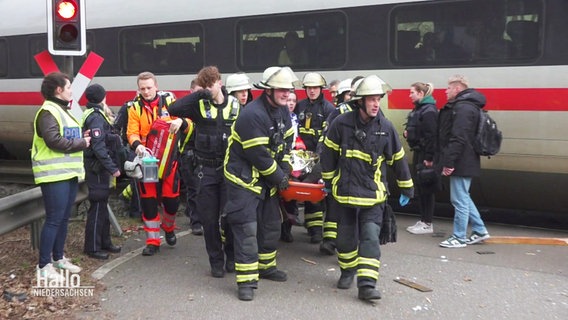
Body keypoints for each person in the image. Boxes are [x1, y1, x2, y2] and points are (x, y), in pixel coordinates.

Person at [320, 75, 414, 301]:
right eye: (371, 99)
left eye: (378, 99)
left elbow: (398, 159)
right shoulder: (340, 124)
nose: (375, 104)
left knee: (371, 238)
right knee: (345, 241)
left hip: (373, 197)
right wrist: (329, 183)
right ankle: (348, 270)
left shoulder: (386, 127)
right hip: (345, 196)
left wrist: (407, 187)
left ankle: (367, 285)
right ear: (359, 102)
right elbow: (328, 156)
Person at [223, 66, 297, 301]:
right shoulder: (252, 115)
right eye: (281, 89)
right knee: (247, 230)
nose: (286, 94)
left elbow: (286, 143)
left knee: (271, 225)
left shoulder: (283, 111)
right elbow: (258, 154)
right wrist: (279, 177)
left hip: (266, 180)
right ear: (268, 90)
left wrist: (284, 168)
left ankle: (266, 267)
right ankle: (246, 282)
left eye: (288, 89)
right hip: (243, 179)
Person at [168, 66, 238, 278]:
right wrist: (200, 93)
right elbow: (174, 109)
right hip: (205, 170)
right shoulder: (199, 105)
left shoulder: (235, 105)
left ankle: (232, 256)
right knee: (209, 219)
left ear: (220, 83)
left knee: (231, 217)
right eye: (205, 85)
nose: (209, 89)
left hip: (229, 170)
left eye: (212, 84)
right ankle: (216, 261)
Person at [32, 72, 91, 281]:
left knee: (63, 218)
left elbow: (65, 136)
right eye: (68, 87)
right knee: (54, 219)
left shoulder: (61, 110)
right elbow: (53, 141)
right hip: (53, 176)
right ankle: (44, 265)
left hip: (68, 174)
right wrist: (82, 143)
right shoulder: (48, 111)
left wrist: (80, 138)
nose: (71, 91)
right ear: (59, 90)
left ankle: (58, 258)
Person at [126, 71, 189, 256]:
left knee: (171, 201)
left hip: (169, 158)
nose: (146, 92)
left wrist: (181, 121)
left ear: (156, 87)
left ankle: (168, 228)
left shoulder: (170, 102)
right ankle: (152, 241)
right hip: (147, 159)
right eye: (142, 89)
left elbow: (189, 121)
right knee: (149, 202)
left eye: (149, 88)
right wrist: (137, 146)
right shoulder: (135, 108)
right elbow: (132, 132)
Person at [438, 74, 490, 248]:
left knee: (459, 200)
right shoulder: (470, 106)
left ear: (458, 88)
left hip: (461, 160)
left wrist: (449, 162)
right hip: (466, 159)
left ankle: (459, 237)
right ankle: (480, 230)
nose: (446, 91)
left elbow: (458, 137)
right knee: (464, 197)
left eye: (448, 88)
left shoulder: (462, 108)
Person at [81, 84, 123, 260]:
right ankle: (92, 247)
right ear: (104, 97)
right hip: (97, 169)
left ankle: (105, 242)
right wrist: (112, 168)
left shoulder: (92, 114)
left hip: (98, 168)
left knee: (102, 205)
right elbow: (99, 147)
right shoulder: (97, 117)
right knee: (98, 206)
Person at [294, 72, 335, 246]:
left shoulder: (328, 109)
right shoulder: (300, 106)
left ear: (320, 89)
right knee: (306, 192)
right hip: (301, 158)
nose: (312, 91)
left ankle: (317, 231)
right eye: (309, 88)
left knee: (318, 193)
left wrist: (318, 157)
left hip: (319, 158)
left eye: (315, 88)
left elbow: (328, 135)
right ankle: (312, 228)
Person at [404, 82, 439, 234]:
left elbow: (432, 136)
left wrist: (429, 157)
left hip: (426, 155)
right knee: (421, 187)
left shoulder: (428, 111)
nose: (410, 95)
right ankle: (423, 220)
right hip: (420, 152)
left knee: (427, 188)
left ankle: (427, 223)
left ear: (420, 93)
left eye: (412, 92)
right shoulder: (422, 109)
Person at [180, 78, 203, 235]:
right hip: (188, 154)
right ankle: (195, 222)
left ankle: (192, 212)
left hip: (202, 154)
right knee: (194, 189)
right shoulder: (185, 109)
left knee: (200, 189)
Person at [280, 90, 300, 243]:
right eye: (289, 100)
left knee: (291, 195)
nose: (291, 103)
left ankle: (287, 228)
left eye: (294, 100)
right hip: (281, 158)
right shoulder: (279, 117)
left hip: (293, 159)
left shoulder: (296, 119)